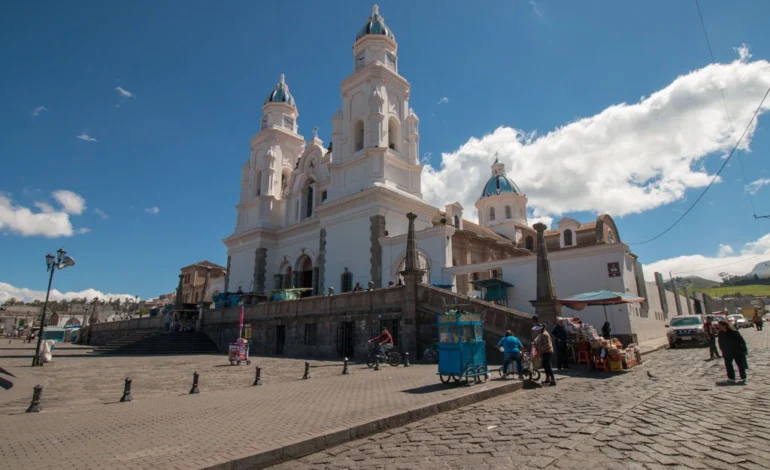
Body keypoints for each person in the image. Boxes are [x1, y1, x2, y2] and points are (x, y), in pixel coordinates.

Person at [717, 320, 748, 385]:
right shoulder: (720, 334)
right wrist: (723, 350)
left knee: (740, 365)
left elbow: (742, 341)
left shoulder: (734, 332)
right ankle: (731, 379)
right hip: (727, 352)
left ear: (724, 325)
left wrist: (745, 350)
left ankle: (743, 378)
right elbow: (720, 343)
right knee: (728, 365)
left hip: (737, 351)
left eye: (720, 325)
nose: (718, 327)